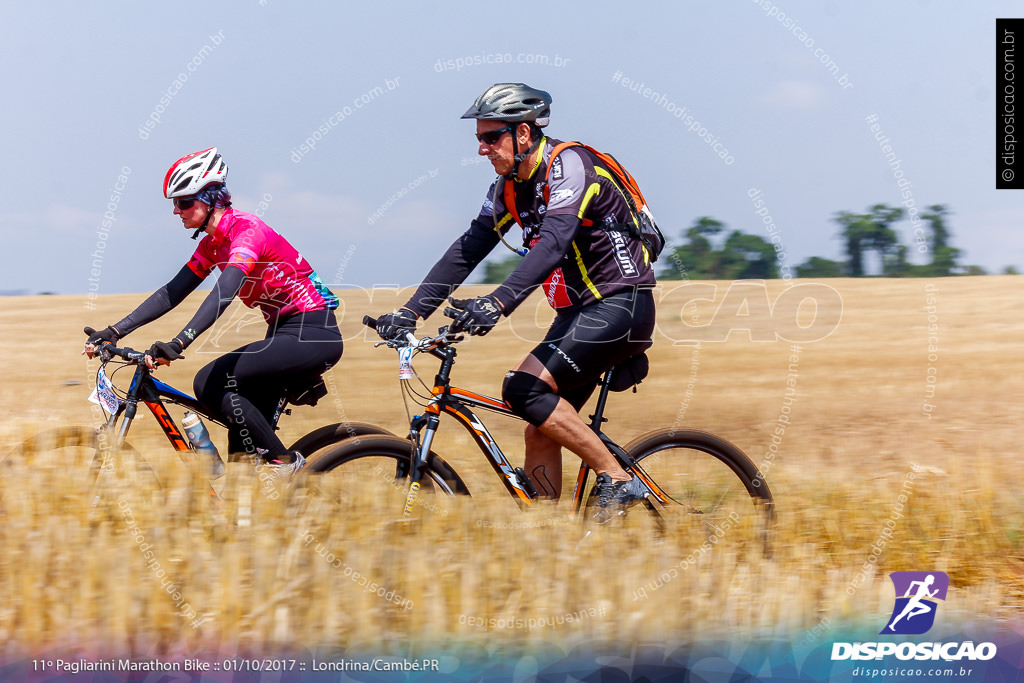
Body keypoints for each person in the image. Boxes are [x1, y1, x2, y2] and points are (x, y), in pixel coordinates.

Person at [373, 83, 658, 518]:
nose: (483, 149)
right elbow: (468, 249)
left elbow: (554, 243)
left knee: (523, 388)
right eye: (479, 140)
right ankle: (544, 538)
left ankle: (618, 479)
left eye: (492, 138)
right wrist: (411, 312)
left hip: (620, 305)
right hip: (579, 313)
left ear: (523, 134)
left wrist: (497, 303)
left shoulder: (569, 165)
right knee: (540, 431)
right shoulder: (508, 188)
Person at [84, 147, 343, 475]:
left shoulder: (247, 231)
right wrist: (116, 330)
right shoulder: (212, 245)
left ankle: (287, 466)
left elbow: (225, 291)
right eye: (174, 204)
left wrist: (179, 343)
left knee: (209, 382)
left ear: (211, 198)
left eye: (183, 202)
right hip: (281, 331)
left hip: (312, 331)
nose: (176, 211)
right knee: (241, 453)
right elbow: (171, 292)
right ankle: (249, 511)